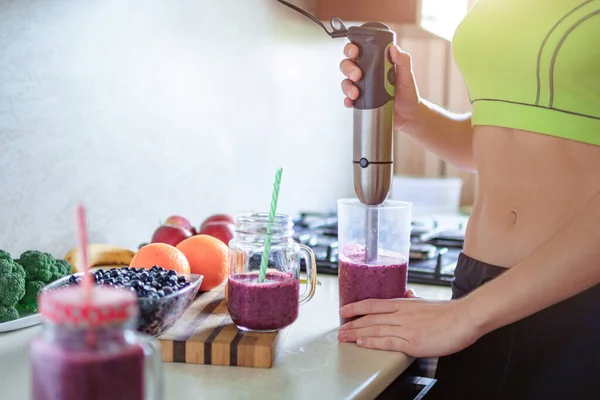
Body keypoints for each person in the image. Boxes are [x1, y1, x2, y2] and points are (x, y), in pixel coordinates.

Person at [335, 1, 600, 398]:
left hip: (578, 304)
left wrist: (466, 317)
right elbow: (501, 141)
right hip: (477, 287)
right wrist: (415, 115)